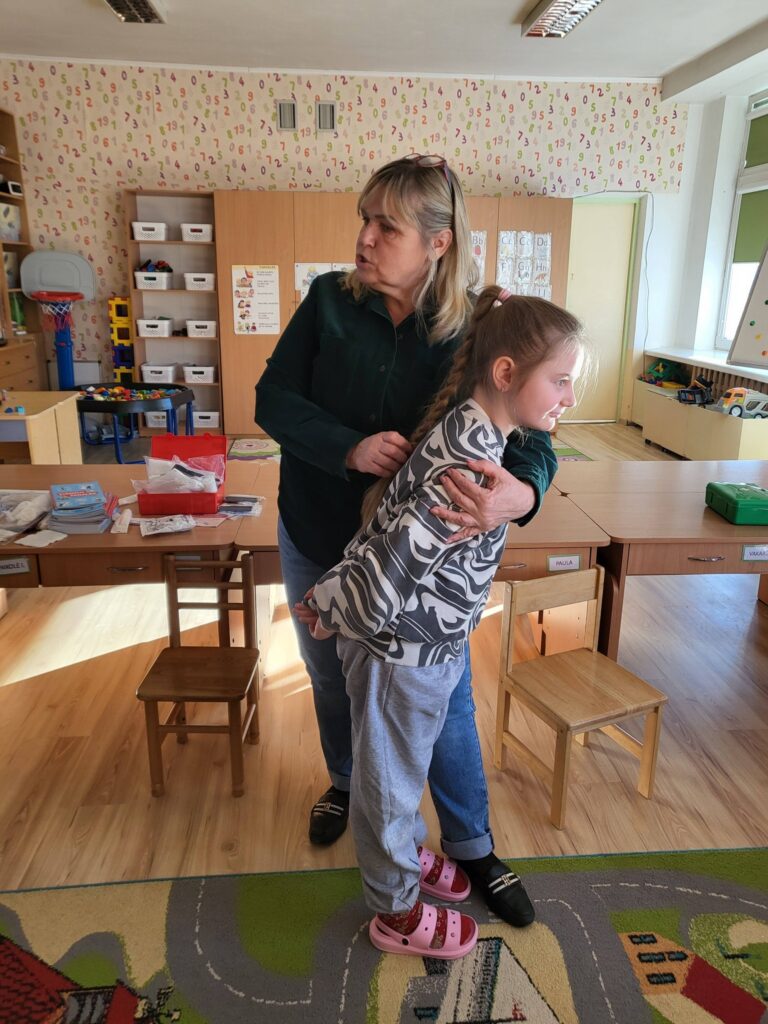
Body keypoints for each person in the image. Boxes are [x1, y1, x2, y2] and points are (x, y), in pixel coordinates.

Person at [254, 154, 558, 927]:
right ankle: (349, 784)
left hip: (422, 567)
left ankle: (471, 844)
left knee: (445, 699)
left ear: (438, 242)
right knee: (331, 676)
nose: (363, 238)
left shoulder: (484, 323)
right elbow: (272, 399)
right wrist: (348, 448)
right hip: (319, 529)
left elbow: (534, 426)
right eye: (364, 219)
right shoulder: (329, 301)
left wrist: (523, 494)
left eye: (385, 226)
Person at [296, 287, 585, 958]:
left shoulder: (475, 431)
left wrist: (334, 598)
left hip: (424, 645)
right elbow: (394, 564)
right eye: (560, 380)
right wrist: (336, 605)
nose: (570, 398)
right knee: (389, 787)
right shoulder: (467, 465)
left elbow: (392, 531)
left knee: (400, 769)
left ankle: (406, 854)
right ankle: (394, 911)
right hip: (400, 654)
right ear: (506, 373)